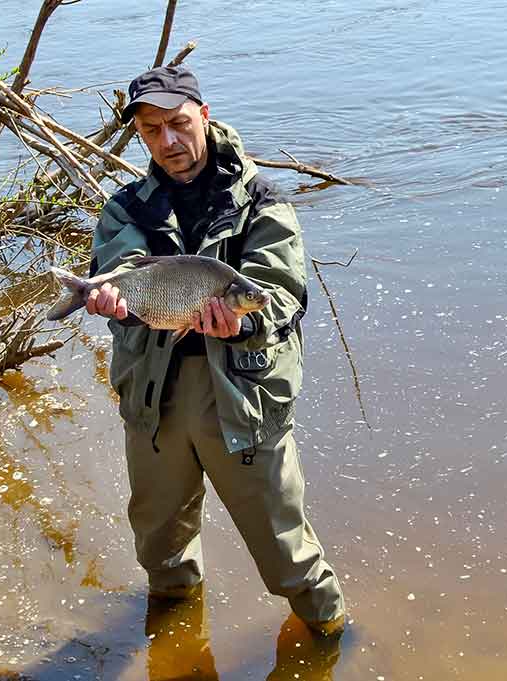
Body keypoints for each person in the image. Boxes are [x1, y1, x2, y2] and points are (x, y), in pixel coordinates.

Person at [87, 65, 347, 638]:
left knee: (287, 555)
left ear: (203, 116)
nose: (168, 142)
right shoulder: (128, 207)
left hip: (244, 397)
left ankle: (331, 637)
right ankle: (177, 639)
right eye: (152, 131)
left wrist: (238, 327)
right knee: (161, 548)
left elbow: (278, 296)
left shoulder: (261, 200)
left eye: (178, 124)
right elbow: (118, 275)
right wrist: (108, 299)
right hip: (155, 398)